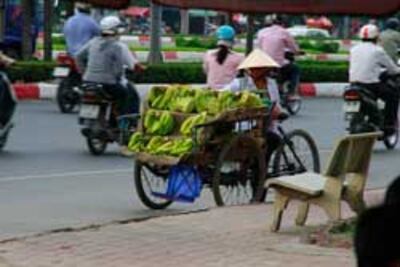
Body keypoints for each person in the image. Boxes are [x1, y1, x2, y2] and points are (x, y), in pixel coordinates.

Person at [76, 16, 143, 117]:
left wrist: (83, 72)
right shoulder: (118, 46)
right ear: (116, 30)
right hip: (108, 83)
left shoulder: (93, 42)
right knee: (130, 96)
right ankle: (124, 121)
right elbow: (125, 67)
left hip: (88, 81)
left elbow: (78, 56)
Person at [225, 49, 283, 166]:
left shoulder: (271, 84)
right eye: (252, 68)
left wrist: (277, 112)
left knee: (273, 140)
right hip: (244, 127)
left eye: (259, 68)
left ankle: (261, 172)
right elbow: (223, 93)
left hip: (266, 126)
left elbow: (276, 104)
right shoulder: (240, 84)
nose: (254, 71)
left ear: (266, 69)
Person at [349, 24, 400, 135]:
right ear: (377, 38)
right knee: (393, 95)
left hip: (353, 84)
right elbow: (393, 69)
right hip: (370, 86)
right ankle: (389, 125)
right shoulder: (378, 51)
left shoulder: (354, 49)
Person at [256, 15, 300, 94]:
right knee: (295, 69)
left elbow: (259, 48)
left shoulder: (261, 32)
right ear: (283, 24)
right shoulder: (284, 32)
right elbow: (294, 48)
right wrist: (297, 52)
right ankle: (291, 93)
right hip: (277, 64)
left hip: (263, 63)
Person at [203, 25, 244, 89]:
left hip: (211, 90)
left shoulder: (209, 54)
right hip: (229, 92)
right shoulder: (239, 57)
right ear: (232, 40)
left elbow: (206, 71)